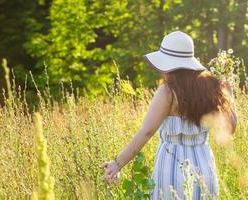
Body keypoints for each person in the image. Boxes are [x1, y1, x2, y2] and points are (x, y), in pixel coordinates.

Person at [100, 31, 237, 199]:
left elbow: (146, 132)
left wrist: (117, 164)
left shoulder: (168, 92)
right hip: (204, 170)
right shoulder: (211, 88)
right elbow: (229, 130)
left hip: (171, 170)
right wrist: (229, 94)